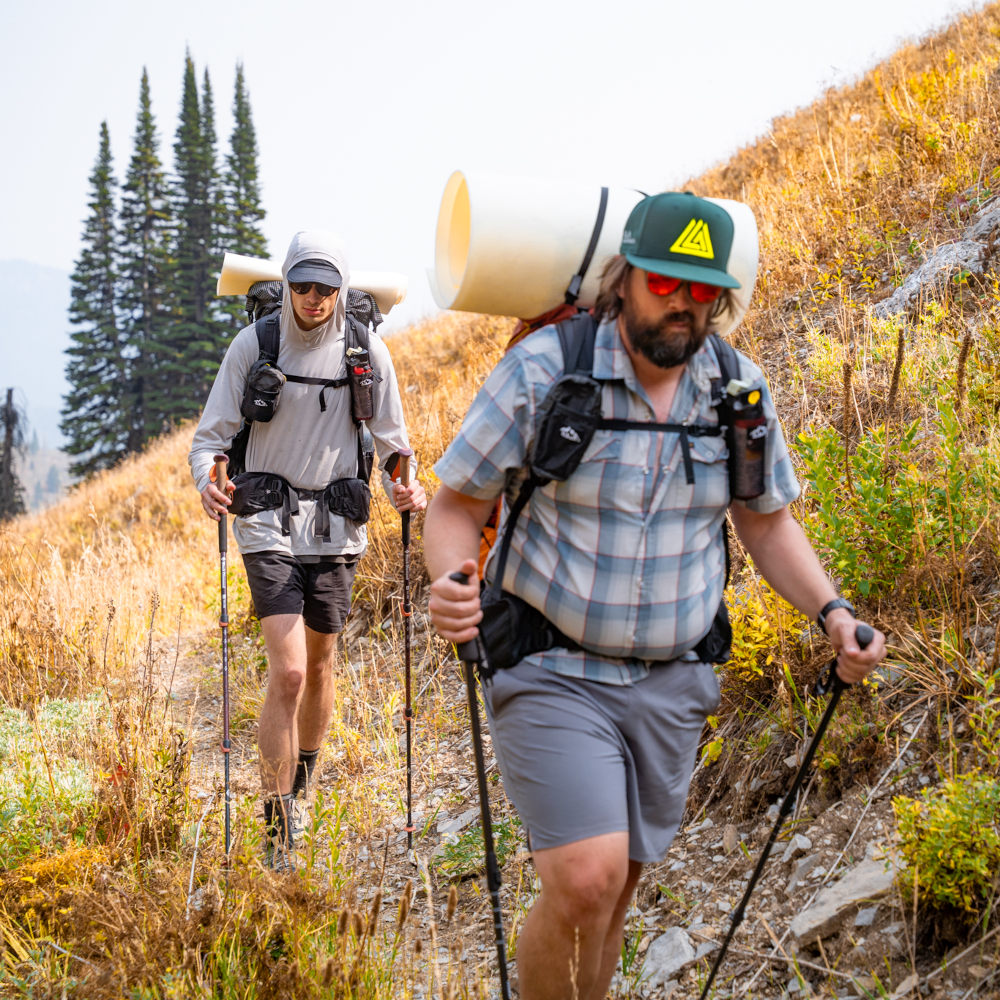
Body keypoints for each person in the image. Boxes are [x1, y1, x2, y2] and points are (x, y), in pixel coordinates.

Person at [423, 192, 886, 1000]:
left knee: (617, 890)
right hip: (551, 664)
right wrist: (452, 582)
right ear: (625, 278)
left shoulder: (736, 393)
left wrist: (834, 612)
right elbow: (457, 505)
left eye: (703, 289)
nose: (684, 302)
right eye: (667, 283)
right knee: (585, 878)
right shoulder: (548, 370)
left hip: (673, 682)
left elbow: (767, 524)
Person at [189, 230, 426, 870]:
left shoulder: (367, 349)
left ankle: (300, 787)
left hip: (338, 526)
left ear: (341, 291)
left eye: (326, 289)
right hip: (266, 519)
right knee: (289, 670)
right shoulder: (255, 344)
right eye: (302, 287)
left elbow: (394, 443)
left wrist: (408, 488)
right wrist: (208, 486)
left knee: (320, 666)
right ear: (287, 284)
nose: (314, 299)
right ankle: (276, 830)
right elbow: (209, 439)